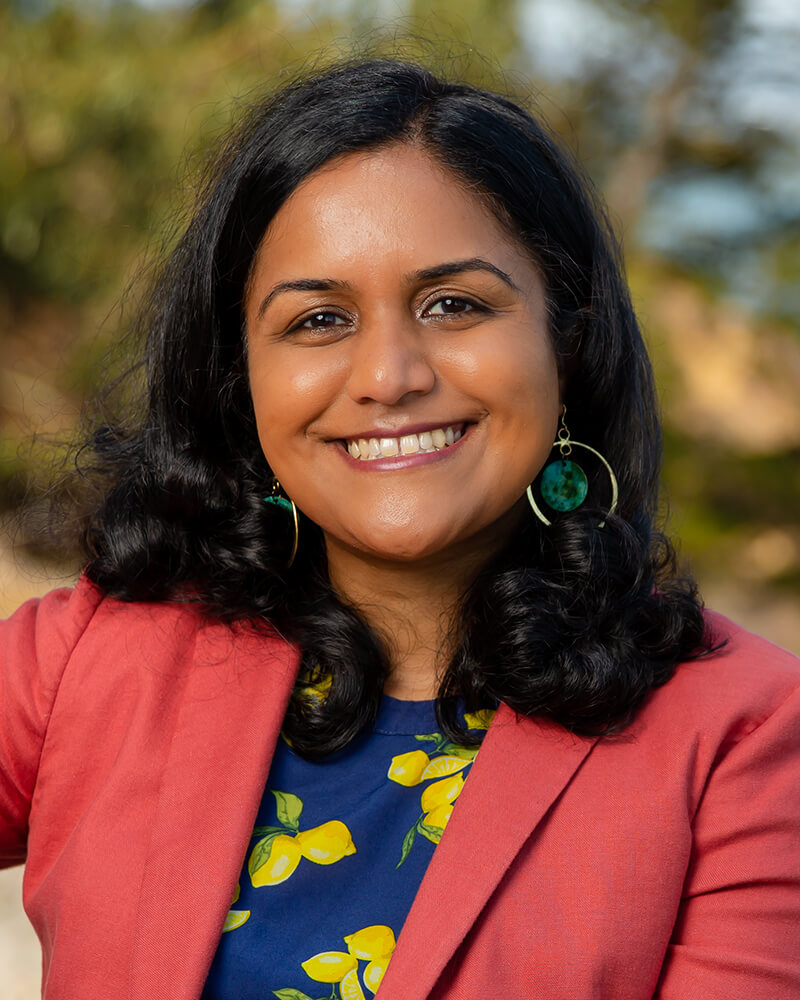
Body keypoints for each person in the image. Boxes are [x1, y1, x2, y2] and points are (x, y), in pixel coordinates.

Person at [1, 57, 799, 1000]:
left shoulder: (747, 737)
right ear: (240, 377)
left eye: (454, 305)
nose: (388, 375)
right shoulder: (90, 659)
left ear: (567, 341)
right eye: (319, 319)